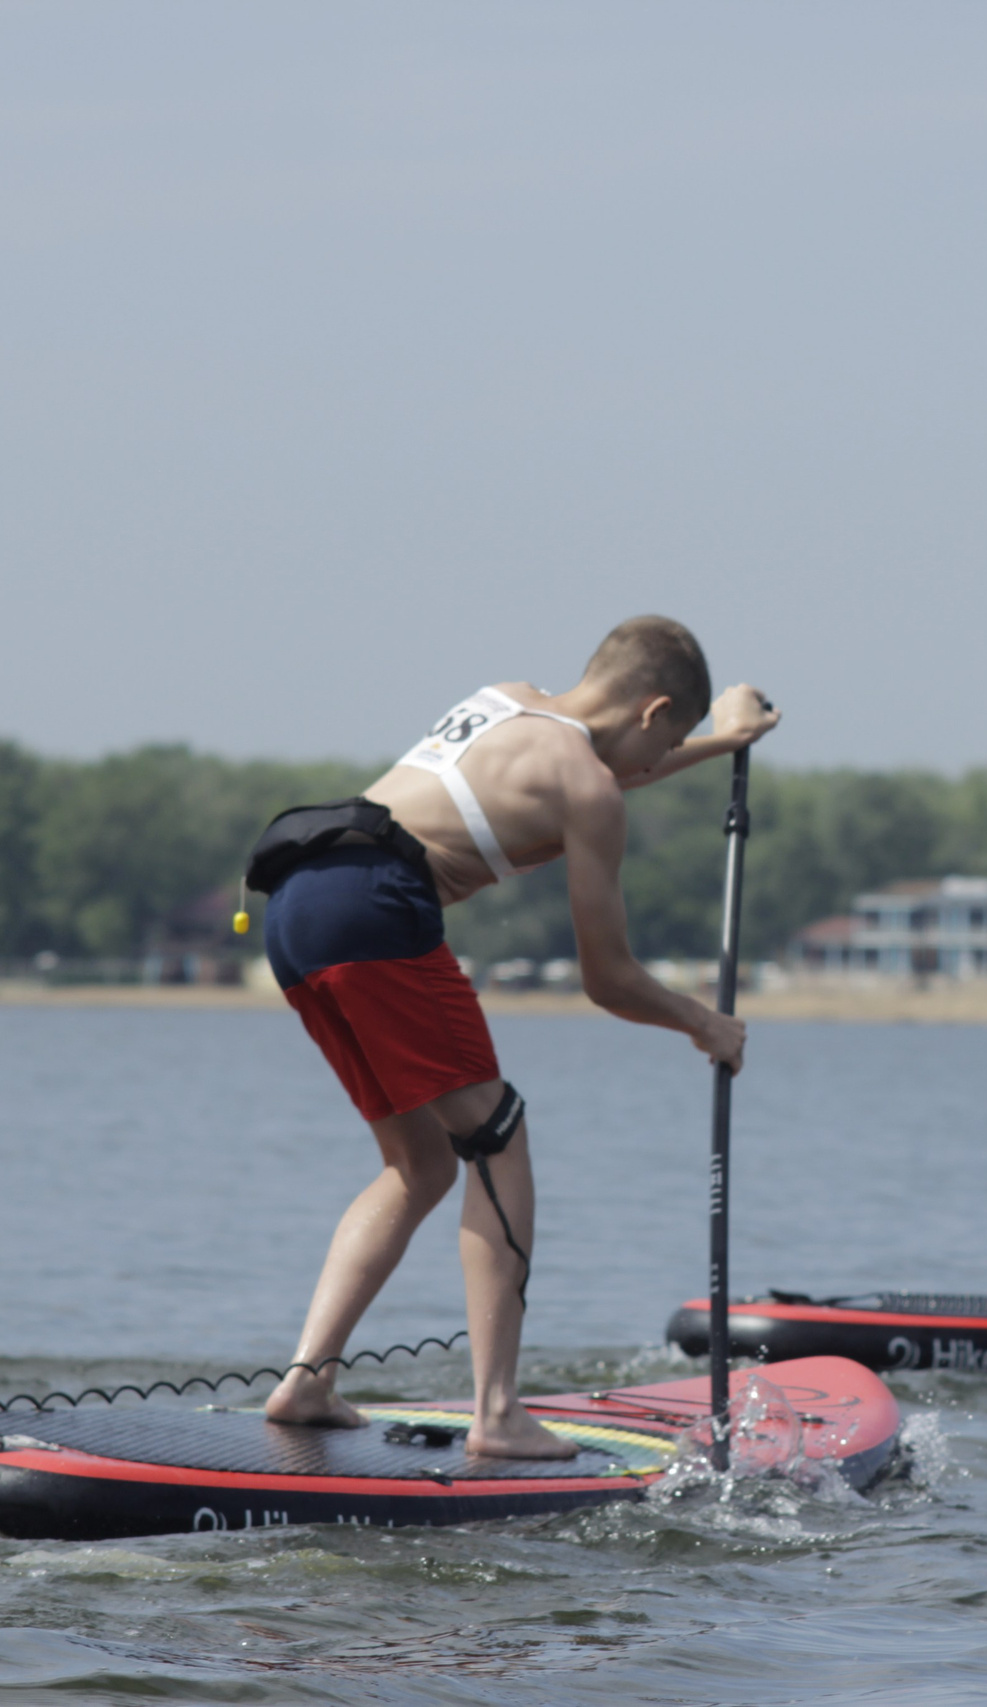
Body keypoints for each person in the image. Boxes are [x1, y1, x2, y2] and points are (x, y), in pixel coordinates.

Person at [244, 616, 776, 1455]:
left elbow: (606, 768)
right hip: (376, 907)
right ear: (653, 710)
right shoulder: (590, 789)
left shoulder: (507, 699)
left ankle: (308, 1381)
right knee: (499, 1134)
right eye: (669, 739)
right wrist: (701, 1021)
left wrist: (722, 741)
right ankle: (496, 1412)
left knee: (420, 1163)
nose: (657, 762)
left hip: (297, 900)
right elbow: (608, 978)